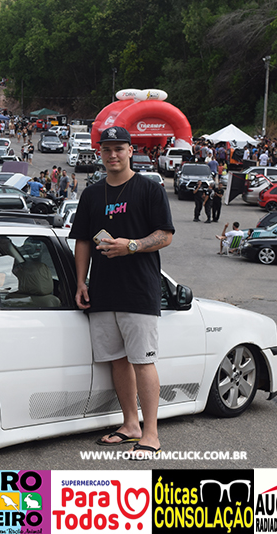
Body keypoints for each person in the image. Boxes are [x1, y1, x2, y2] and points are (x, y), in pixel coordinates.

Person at [69, 126, 174, 459]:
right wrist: (81, 282)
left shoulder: (149, 189)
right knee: (117, 361)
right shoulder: (91, 194)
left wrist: (132, 245)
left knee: (143, 361)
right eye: (107, 149)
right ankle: (130, 425)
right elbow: (82, 240)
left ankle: (151, 433)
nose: (112, 155)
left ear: (131, 150)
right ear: (100, 152)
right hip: (102, 291)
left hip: (139, 290)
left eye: (119, 148)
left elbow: (166, 235)